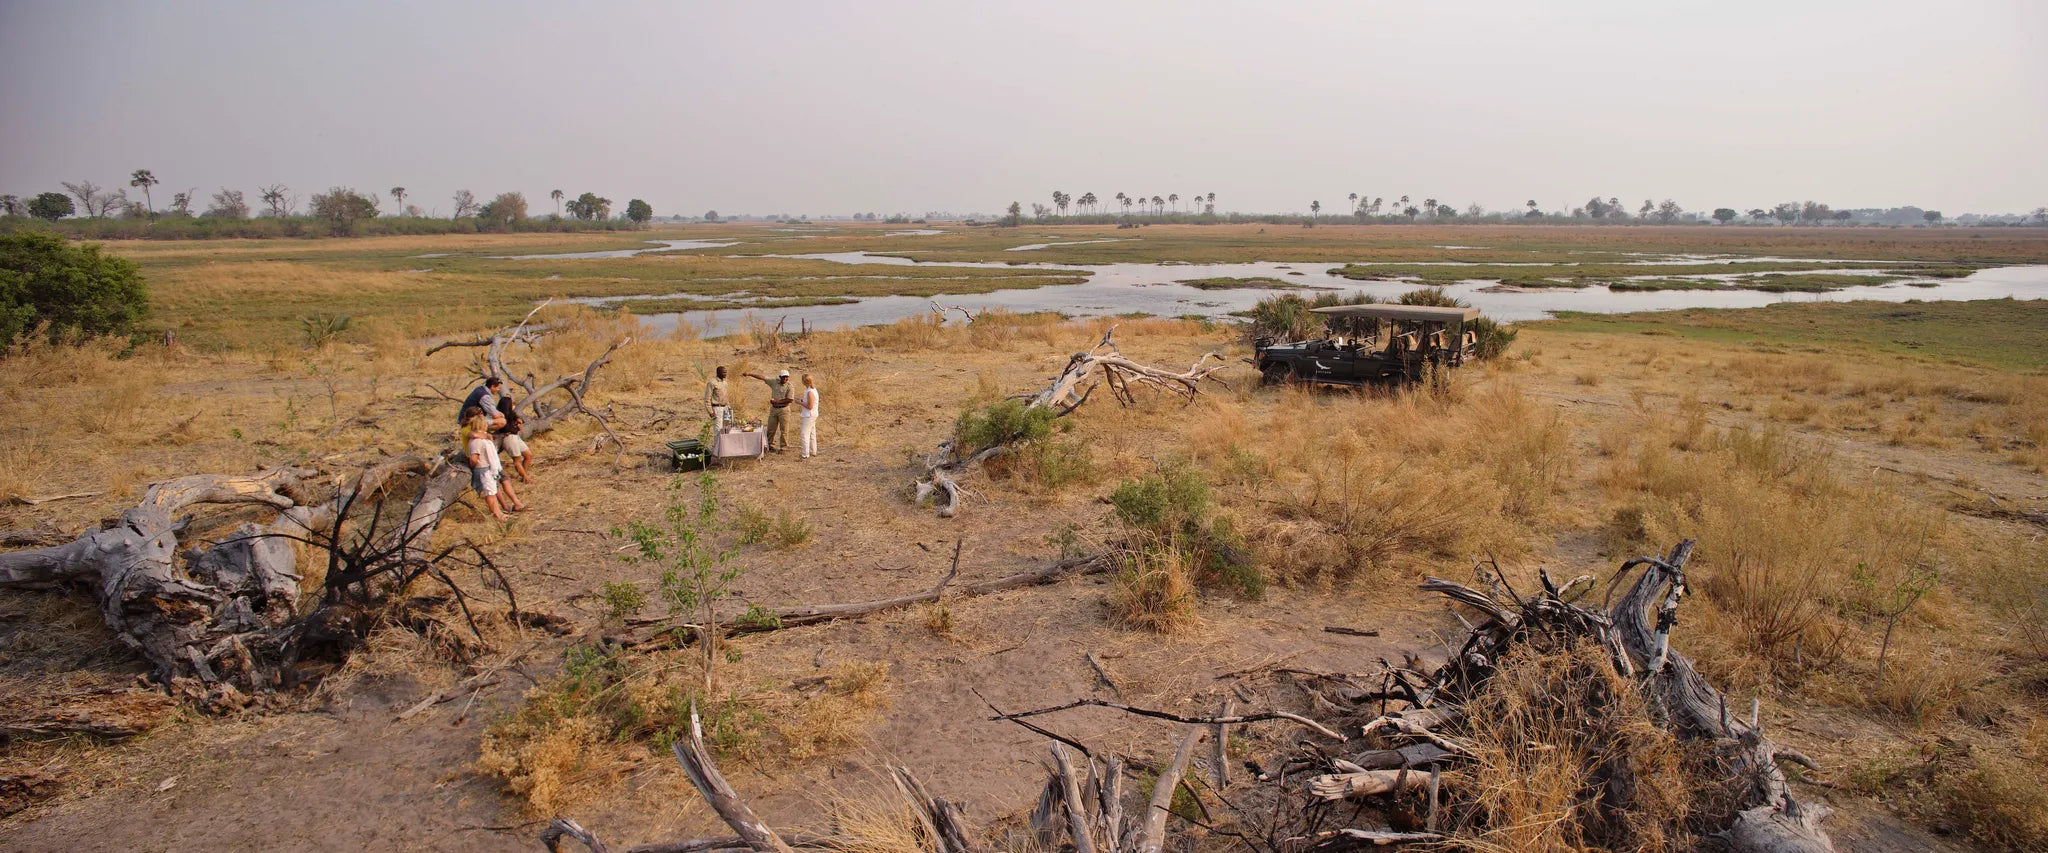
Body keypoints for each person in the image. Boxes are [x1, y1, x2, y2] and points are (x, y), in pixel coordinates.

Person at [464, 411, 524, 519]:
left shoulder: (482, 437)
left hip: (489, 468)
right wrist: (474, 466)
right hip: (483, 469)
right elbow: (474, 458)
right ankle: (498, 514)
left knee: (492, 491)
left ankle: (499, 513)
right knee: (490, 493)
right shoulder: (476, 441)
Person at [743, 368, 795, 452]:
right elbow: (762, 377)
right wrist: (749, 374)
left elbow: (790, 399)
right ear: (780, 377)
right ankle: (769, 445)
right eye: (784, 377)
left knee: (784, 430)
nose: (785, 379)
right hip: (774, 409)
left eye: (787, 377)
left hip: (784, 410)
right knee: (771, 428)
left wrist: (776, 402)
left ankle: (783, 447)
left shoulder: (790, 386)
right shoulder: (774, 382)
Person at [496, 395, 532, 483]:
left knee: (528, 455)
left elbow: (516, 424)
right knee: (517, 460)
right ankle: (526, 478)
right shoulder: (501, 416)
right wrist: (517, 427)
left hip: (515, 436)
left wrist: (517, 425)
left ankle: (525, 475)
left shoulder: (511, 414)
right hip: (509, 438)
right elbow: (506, 429)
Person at [797, 374, 822, 459]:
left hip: (809, 415)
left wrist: (800, 403)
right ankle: (813, 451)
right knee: (812, 433)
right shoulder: (812, 389)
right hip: (812, 414)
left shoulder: (810, 391)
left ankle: (805, 454)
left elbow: (810, 406)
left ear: (804, 381)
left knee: (805, 434)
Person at [704, 365, 731, 430]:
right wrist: (710, 411)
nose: (725, 374)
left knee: (726, 429)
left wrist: (729, 407)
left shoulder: (725, 383)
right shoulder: (712, 383)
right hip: (717, 409)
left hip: (725, 408)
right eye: (723, 372)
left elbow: (725, 396)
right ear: (718, 373)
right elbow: (707, 398)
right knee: (718, 430)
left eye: (726, 372)